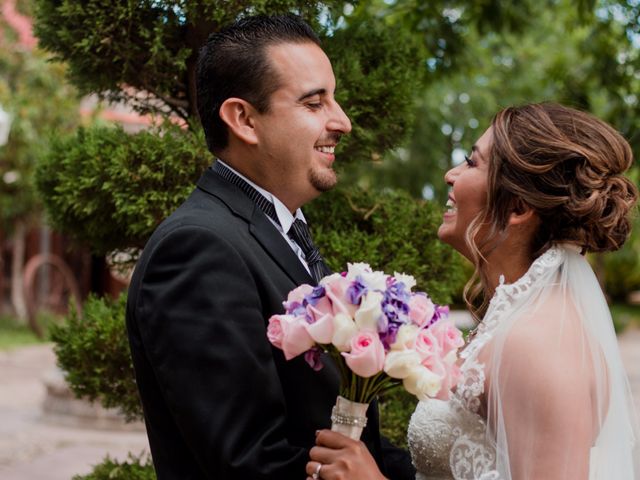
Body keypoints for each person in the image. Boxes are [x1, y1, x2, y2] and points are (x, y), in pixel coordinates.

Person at [126, 14, 414, 480]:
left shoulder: (278, 230)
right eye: (314, 103)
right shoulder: (199, 250)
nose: (343, 121)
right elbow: (246, 463)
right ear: (244, 119)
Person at [306, 103, 640, 480]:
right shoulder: (515, 315)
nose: (451, 175)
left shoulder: (539, 341)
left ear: (516, 207)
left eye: (471, 162)